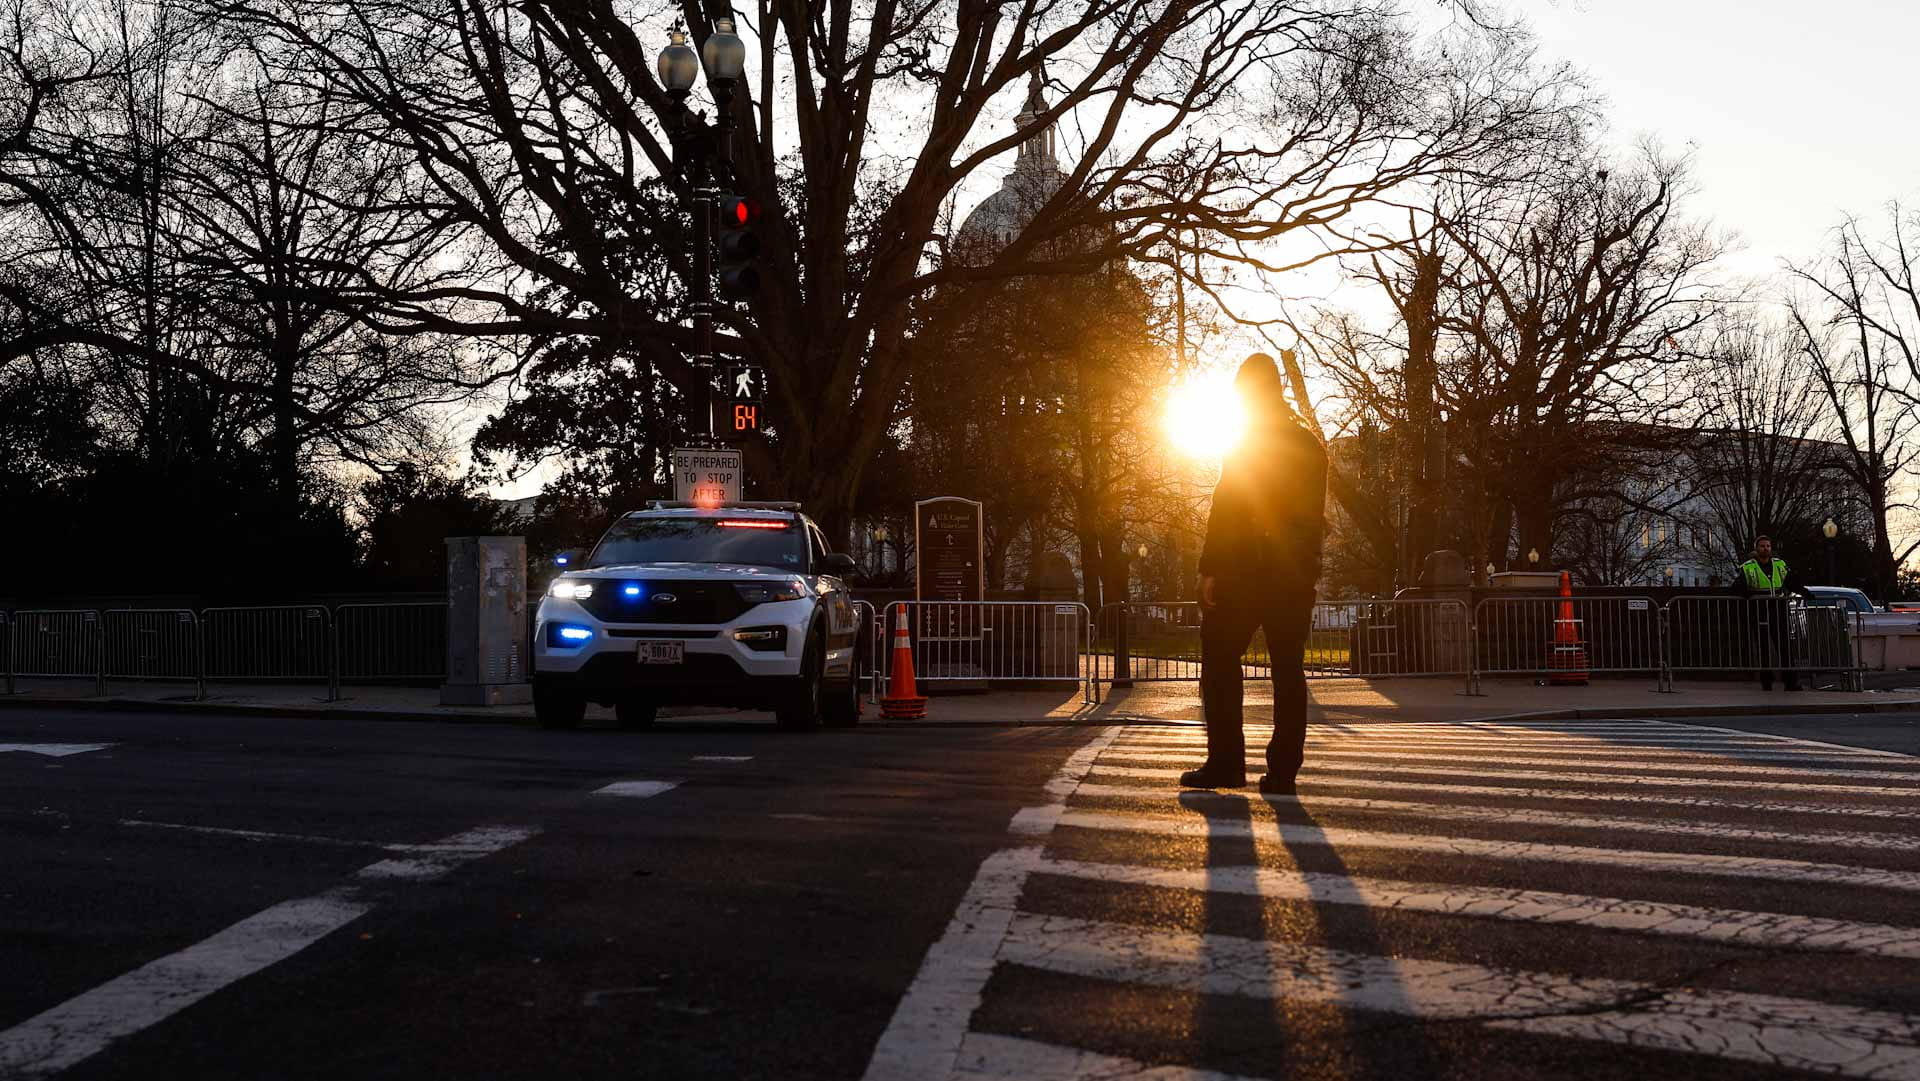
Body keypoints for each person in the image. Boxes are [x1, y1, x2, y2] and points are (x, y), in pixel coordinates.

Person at [1182, 352, 1327, 795]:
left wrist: (1211, 567)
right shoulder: (1308, 447)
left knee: (1221, 661)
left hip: (1244, 572)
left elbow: (1224, 509)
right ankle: (1283, 772)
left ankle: (1226, 761)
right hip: (1290, 575)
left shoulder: (1244, 443)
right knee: (1288, 670)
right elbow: (1311, 517)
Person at [1733, 534, 1811, 691]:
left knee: (1785, 646)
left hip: (1778, 608)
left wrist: (1805, 592)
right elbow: (1736, 588)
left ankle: (1790, 682)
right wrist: (1748, 596)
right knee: (1763, 648)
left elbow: (1791, 582)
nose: (1765, 549)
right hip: (1758, 609)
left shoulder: (1779, 564)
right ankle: (1766, 682)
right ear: (1756, 548)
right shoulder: (1748, 567)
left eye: (1768, 546)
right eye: (1762, 546)